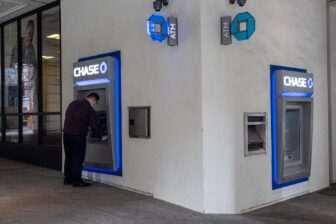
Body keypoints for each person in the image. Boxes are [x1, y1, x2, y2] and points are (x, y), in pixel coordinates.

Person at [63, 93, 103, 187]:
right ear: (93, 99)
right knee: (78, 158)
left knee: (69, 157)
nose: (94, 104)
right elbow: (94, 126)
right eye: (95, 102)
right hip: (78, 136)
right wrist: (100, 136)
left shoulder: (73, 103)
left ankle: (67, 179)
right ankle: (77, 181)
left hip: (66, 134)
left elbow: (67, 115)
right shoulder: (89, 109)